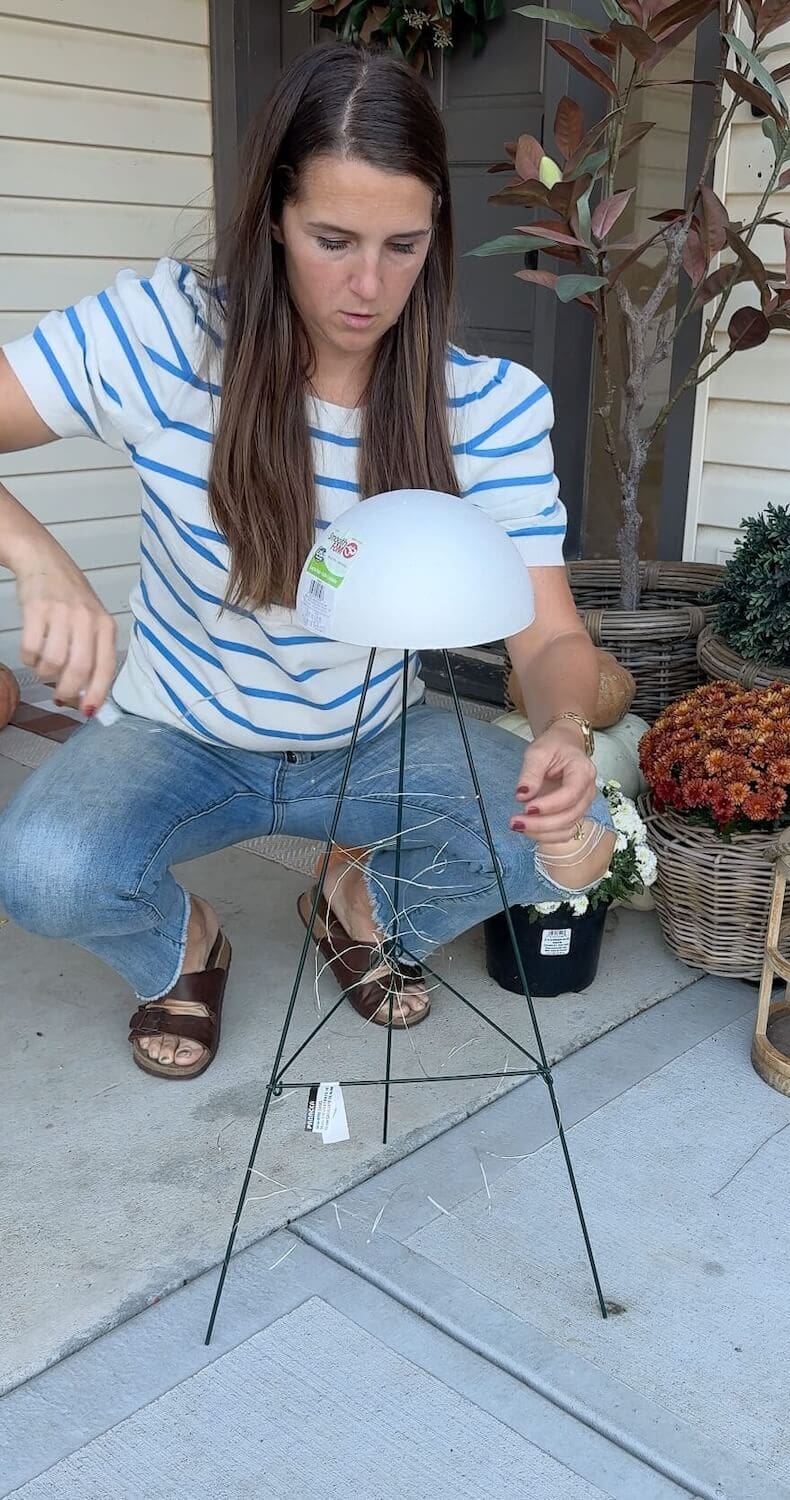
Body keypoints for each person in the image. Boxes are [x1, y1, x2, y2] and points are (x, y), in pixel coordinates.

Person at [0, 44, 615, 1081]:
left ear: (436, 233)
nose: (368, 286)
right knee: (43, 872)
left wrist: (564, 727)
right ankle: (185, 947)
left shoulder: (486, 408)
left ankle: (355, 903)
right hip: (177, 733)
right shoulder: (167, 338)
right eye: (333, 240)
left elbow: (550, 636)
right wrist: (38, 557)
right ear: (275, 217)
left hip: (369, 740)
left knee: (567, 836)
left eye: (403, 246)